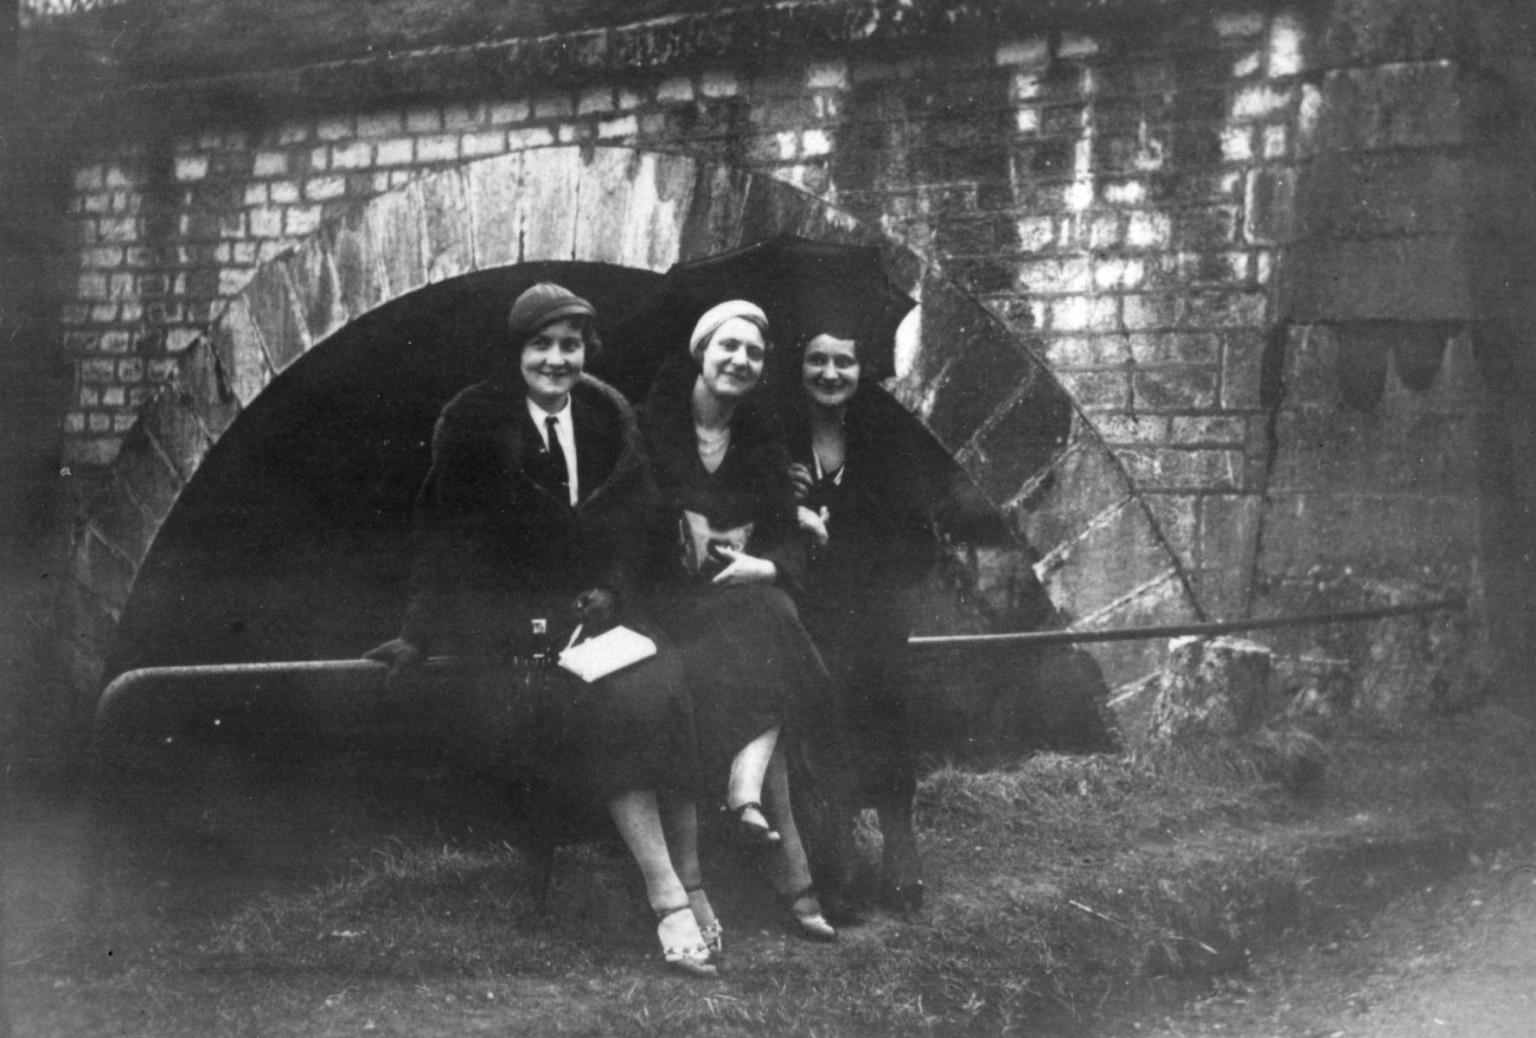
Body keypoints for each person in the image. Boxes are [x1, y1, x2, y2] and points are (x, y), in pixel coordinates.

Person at [365, 282, 721, 977]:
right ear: (517, 352)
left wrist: (613, 589)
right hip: (518, 630)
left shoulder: (607, 418)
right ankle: (669, 896)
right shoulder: (474, 427)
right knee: (620, 702)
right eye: (543, 346)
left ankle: (692, 878)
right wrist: (419, 633)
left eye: (571, 345)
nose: (558, 361)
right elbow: (443, 536)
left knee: (665, 682)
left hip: (600, 620)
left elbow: (637, 521)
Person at [636, 299, 837, 942]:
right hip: (665, 603)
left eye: (753, 353)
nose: (741, 361)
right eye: (729, 347)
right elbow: (625, 527)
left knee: (771, 608)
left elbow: (781, 534)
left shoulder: (760, 435)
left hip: (736, 601)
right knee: (771, 636)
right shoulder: (647, 424)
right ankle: (774, 846)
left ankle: (746, 790)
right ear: (702, 352)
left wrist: (768, 566)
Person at [782, 322, 940, 910]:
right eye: (816, 360)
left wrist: (836, 530)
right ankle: (836, 852)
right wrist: (785, 498)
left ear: (859, 368)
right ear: (798, 368)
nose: (829, 374)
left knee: (883, 707)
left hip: (871, 607)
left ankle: (901, 844)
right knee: (820, 723)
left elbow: (918, 546)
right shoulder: (777, 436)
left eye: (842, 362)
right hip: (805, 611)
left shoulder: (887, 435)